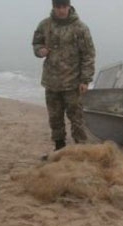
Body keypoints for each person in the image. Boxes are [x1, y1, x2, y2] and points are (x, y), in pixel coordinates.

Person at [32, 0, 95, 152]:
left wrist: (85, 80)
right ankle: (59, 148)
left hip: (73, 83)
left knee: (77, 118)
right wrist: (40, 51)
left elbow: (88, 55)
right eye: (57, 7)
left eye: (63, 7)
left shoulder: (80, 28)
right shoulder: (45, 25)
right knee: (55, 118)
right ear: (53, 7)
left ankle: (81, 150)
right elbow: (36, 43)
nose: (61, 10)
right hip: (51, 81)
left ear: (69, 6)